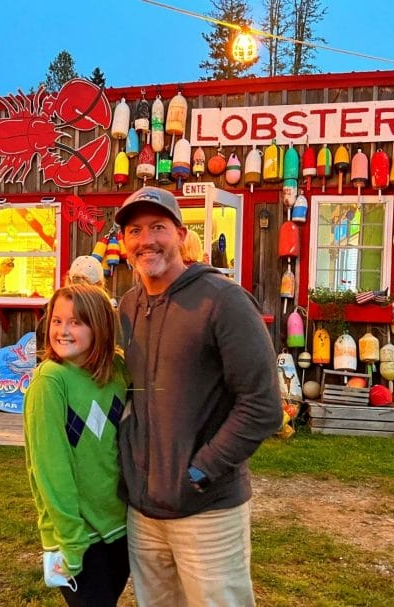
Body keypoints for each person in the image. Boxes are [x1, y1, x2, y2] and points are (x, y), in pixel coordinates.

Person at [114, 186, 281, 606]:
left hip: (208, 510)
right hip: (143, 512)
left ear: (181, 234)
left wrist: (201, 470)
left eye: (158, 227)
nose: (146, 239)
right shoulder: (128, 306)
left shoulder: (223, 301)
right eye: (134, 230)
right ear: (123, 243)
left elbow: (262, 406)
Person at [23, 283, 130, 607]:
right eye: (57, 321)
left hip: (120, 527)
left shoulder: (118, 371)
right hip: (78, 536)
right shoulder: (50, 382)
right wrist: (70, 540)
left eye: (76, 322)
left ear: (99, 327)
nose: (63, 331)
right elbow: (51, 469)